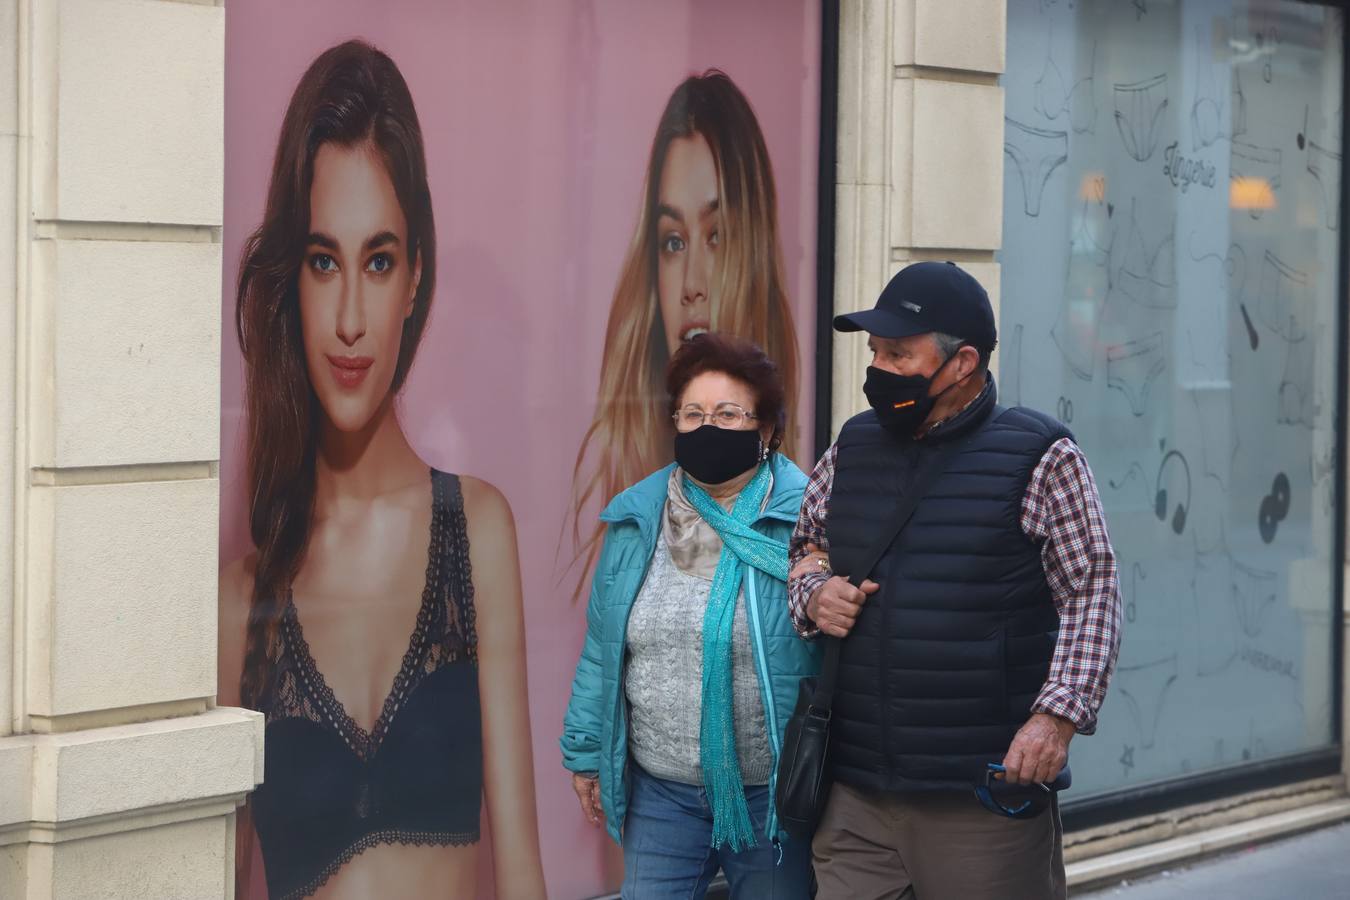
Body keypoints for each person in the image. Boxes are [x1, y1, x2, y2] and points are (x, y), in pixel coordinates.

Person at [217, 40, 545, 900]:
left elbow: (521, 875)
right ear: (291, 284)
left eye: (379, 260)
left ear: (415, 280)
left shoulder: (476, 534)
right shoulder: (242, 603)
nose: (352, 318)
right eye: (325, 263)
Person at [788, 262, 1122, 900]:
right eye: (874, 352)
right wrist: (813, 594)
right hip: (855, 792)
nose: (878, 369)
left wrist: (1056, 719)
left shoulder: (1041, 455)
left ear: (963, 362)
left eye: (898, 353)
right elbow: (808, 547)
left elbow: (1092, 593)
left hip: (980, 797)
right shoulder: (852, 446)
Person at [561, 333, 821, 899]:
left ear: (768, 430)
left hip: (772, 797)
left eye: (729, 415)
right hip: (661, 793)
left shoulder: (811, 522)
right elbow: (604, 649)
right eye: (693, 413)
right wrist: (584, 752)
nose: (707, 428)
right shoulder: (637, 518)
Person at [568, 70, 801, 595]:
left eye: (716, 237)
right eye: (673, 242)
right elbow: (600, 665)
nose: (692, 285)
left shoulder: (803, 505)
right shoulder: (618, 488)